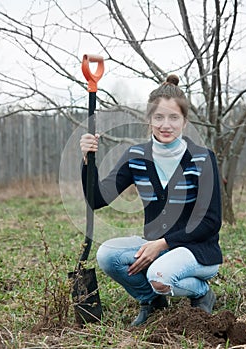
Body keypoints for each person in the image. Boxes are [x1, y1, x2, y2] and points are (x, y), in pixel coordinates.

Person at [79, 75, 223, 326]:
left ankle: (201, 292)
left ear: (185, 122)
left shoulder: (202, 158)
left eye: (173, 117)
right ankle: (151, 301)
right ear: (149, 120)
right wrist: (87, 161)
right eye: (159, 117)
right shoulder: (136, 157)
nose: (166, 124)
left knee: (160, 275)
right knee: (107, 256)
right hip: (157, 246)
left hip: (199, 251)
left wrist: (163, 244)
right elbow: (97, 199)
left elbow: (210, 222)